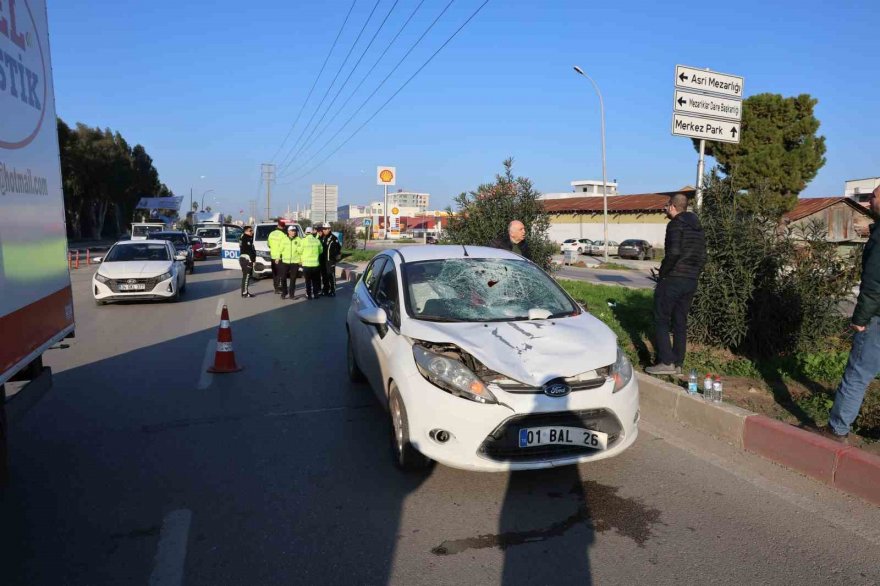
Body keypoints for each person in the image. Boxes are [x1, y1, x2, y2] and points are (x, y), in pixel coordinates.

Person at [823, 185, 880, 443]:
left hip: (876, 318)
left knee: (858, 373)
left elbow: (874, 284)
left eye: (873, 197)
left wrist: (860, 319)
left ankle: (837, 430)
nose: (868, 202)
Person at [645, 194, 707, 375]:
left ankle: (666, 362)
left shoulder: (675, 225)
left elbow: (673, 253)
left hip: (673, 279)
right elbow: (703, 256)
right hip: (691, 281)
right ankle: (678, 363)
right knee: (680, 321)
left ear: (673, 207)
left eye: (666, 206)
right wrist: (694, 274)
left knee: (661, 319)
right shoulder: (698, 228)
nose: (664, 209)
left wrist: (663, 274)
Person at [279, 225, 303, 300]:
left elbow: (301, 252)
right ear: (288, 231)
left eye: (294, 231)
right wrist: (277, 257)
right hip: (285, 262)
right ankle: (284, 292)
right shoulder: (284, 239)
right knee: (283, 278)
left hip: (295, 262)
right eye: (292, 231)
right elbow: (280, 249)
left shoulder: (299, 240)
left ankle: (291, 294)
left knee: (293, 279)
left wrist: (301, 260)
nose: (293, 232)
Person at [300, 226, 324, 299]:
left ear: (305, 232)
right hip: (315, 265)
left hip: (306, 265)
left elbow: (300, 251)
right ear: (312, 232)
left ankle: (309, 295)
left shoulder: (303, 241)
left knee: (308, 281)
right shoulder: (317, 241)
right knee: (315, 281)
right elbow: (321, 251)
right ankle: (316, 294)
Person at [318, 223, 342, 297]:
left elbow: (338, 249)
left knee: (331, 276)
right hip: (323, 260)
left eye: (325, 229)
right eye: (323, 229)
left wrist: (334, 258)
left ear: (329, 229)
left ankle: (333, 290)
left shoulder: (333, 238)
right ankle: (325, 290)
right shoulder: (322, 237)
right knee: (324, 276)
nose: (324, 230)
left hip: (330, 260)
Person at [267, 219, 287, 294]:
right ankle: (279, 288)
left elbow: (268, 244)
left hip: (272, 256)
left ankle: (276, 288)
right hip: (280, 256)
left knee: (275, 273)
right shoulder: (283, 235)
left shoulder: (271, 233)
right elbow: (285, 246)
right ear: (283, 227)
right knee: (281, 273)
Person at [239, 225, 256, 298]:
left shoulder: (243, 237)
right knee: (246, 277)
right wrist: (253, 260)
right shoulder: (247, 238)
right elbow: (250, 251)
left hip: (244, 258)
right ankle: (245, 293)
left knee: (245, 277)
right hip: (247, 259)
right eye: (250, 231)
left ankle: (244, 292)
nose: (252, 232)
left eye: (252, 230)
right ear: (246, 231)